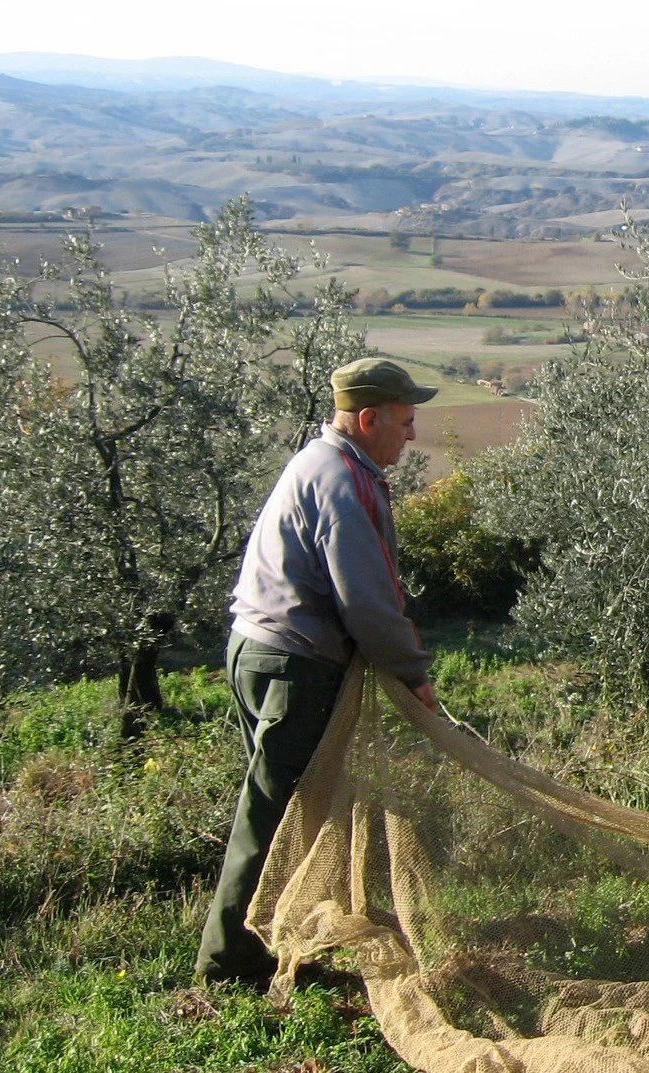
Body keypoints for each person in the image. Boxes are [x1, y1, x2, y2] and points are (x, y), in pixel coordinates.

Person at [195, 357, 442, 988]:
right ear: (367, 419)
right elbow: (365, 599)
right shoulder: (341, 479)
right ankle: (230, 963)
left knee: (285, 809)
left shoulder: (322, 463)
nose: (411, 435)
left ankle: (279, 943)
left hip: (262, 651)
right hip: (292, 666)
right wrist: (414, 675)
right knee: (272, 813)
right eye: (405, 421)